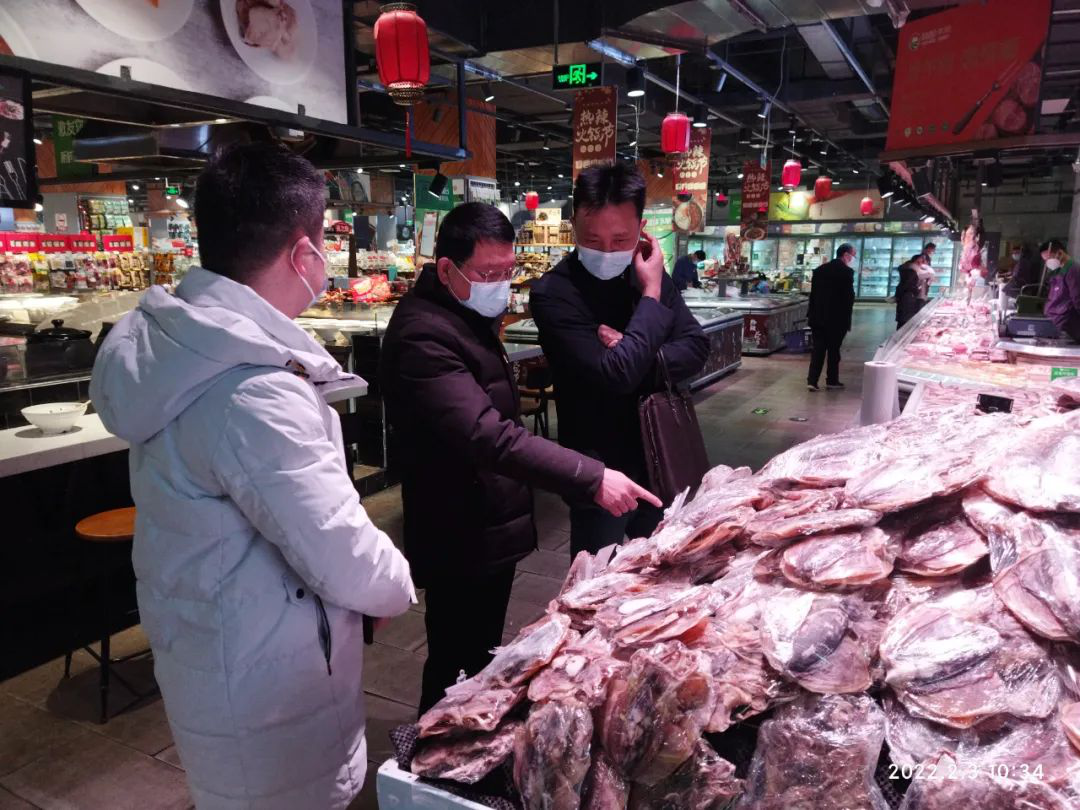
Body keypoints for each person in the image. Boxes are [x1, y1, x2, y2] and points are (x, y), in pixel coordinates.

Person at [90, 143, 416, 809]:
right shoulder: (252, 389)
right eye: (324, 242)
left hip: (218, 648)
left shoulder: (181, 349)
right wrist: (397, 588)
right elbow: (339, 546)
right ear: (303, 253)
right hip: (266, 679)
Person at [379, 203, 659, 715]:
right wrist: (591, 475)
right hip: (456, 525)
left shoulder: (464, 315)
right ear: (447, 268)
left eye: (508, 271)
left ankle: (459, 736)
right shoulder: (424, 333)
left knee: (478, 654)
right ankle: (431, 749)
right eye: (489, 274)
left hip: (485, 519)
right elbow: (490, 435)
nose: (501, 285)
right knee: (455, 661)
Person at [530, 163, 709, 557]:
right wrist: (651, 297)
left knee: (667, 570)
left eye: (620, 239)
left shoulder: (645, 270)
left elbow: (697, 347)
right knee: (596, 581)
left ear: (641, 229)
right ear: (574, 225)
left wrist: (634, 351)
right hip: (600, 473)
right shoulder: (554, 293)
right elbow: (617, 376)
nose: (607, 251)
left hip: (662, 456)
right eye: (592, 239)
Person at [806, 242, 856, 391]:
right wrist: (847, 320)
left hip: (818, 318)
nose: (853, 258)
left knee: (818, 349)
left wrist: (811, 314)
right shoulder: (846, 272)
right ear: (846, 255)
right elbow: (848, 298)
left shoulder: (819, 270)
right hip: (837, 319)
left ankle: (812, 381)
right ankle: (832, 381)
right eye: (853, 255)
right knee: (834, 350)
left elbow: (813, 296)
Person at [1041, 239, 1080, 341]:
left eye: (1049, 259)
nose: (1047, 263)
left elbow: (1077, 299)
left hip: (1066, 327)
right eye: (1045, 260)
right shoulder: (1057, 272)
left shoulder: (1073, 270)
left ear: (1060, 253)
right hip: (1054, 324)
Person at [895, 253, 925, 328]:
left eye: (921, 262)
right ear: (913, 261)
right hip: (907, 297)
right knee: (905, 318)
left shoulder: (907, 269)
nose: (920, 264)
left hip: (904, 296)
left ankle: (900, 332)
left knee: (903, 318)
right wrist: (916, 290)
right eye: (918, 262)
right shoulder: (911, 271)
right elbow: (908, 284)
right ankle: (901, 333)